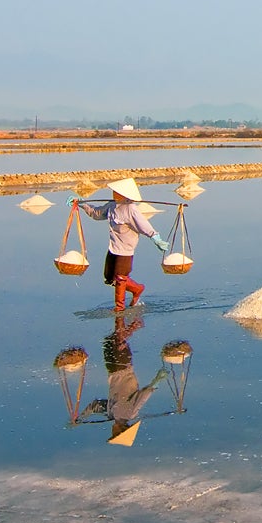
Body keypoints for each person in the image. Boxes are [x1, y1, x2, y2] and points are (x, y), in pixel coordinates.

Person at [76, 178, 169, 312]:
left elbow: (144, 226)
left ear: (124, 194)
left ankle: (119, 308)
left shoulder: (131, 209)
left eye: (116, 192)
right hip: (113, 247)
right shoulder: (112, 205)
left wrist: (156, 238)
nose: (113, 193)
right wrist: (82, 204)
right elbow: (96, 214)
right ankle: (137, 289)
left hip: (126, 249)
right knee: (110, 278)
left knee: (120, 278)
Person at [103, 313, 167, 445]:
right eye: (114, 433)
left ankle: (127, 318)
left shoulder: (111, 414)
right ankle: (131, 321)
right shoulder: (129, 414)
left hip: (112, 369)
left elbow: (97, 405)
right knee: (119, 339)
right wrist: (157, 380)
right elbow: (143, 396)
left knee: (109, 340)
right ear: (120, 430)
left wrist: (80, 417)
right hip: (123, 368)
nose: (112, 430)